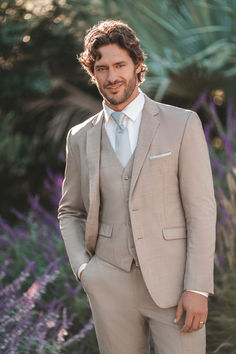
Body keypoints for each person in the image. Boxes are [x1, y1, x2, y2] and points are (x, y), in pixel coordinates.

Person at [58, 19, 216, 354]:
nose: (111, 77)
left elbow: (201, 210)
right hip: (109, 283)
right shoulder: (80, 136)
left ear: (137, 66)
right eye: (101, 68)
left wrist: (198, 288)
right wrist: (85, 270)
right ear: (93, 72)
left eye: (119, 65)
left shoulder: (181, 123)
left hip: (174, 287)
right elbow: (70, 210)